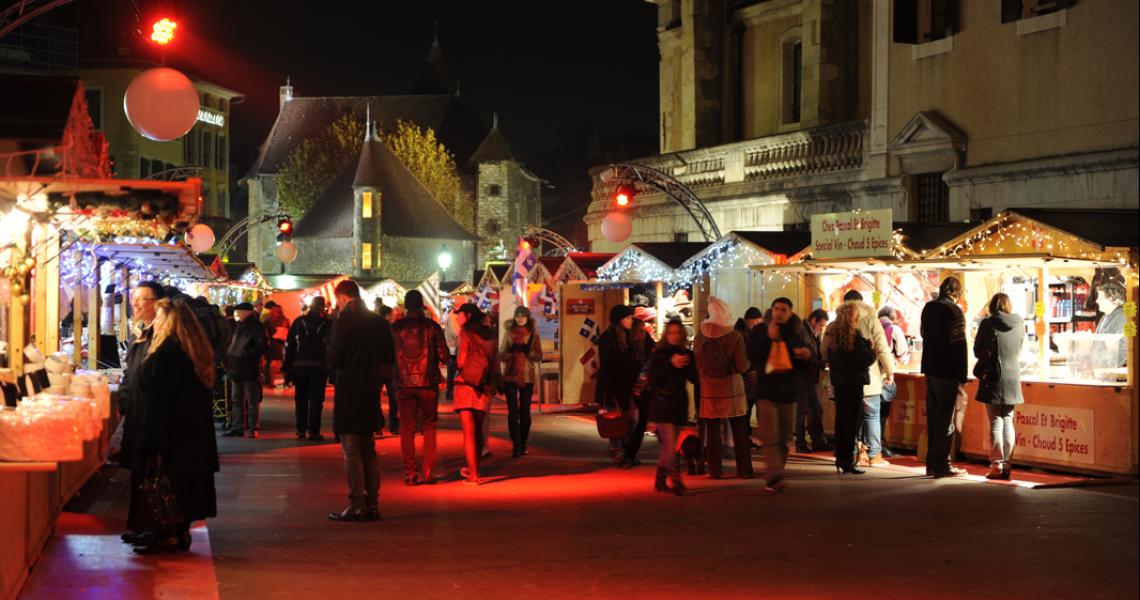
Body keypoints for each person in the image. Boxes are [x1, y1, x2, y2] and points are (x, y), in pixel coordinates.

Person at [133, 298, 220, 554]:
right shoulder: (192, 349)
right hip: (191, 435)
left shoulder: (167, 354)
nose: (155, 323)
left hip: (171, 435)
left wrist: (152, 438)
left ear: (170, 322)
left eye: (159, 318)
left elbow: (160, 401)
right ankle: (178, 532)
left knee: (167, 485)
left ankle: (167, 534)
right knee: (183, 487)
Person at [327, 279, 393, 521]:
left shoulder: (344, 322)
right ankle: (373, 502)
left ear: (342, 298)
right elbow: (388, 355)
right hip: (370, 389)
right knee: (369, 449)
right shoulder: (378, 323)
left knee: (352, 450)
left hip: (349, 390)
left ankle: (356, 503)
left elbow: (335, 359)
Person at [747, 298, 812, 491]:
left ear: (789, 313)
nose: (779, 312)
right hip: (766, 392)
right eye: (776, 308)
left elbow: (804, 363)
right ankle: (773, 476)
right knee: (771, 436)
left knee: (784, 437)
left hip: (789, 393)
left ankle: (777, 473)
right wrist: (769, 337)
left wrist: (805, 355)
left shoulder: (796, 333)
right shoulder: (760, 330)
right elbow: (753, 356)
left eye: (783, 309)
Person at [119, 281, 166, 545]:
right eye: (133, 298)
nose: (135, 303)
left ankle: (152, 526)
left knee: (151, 476)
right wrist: (125, 401)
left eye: (141, 299)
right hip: (138, 417)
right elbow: (130, 374)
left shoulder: (162, 339)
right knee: (139, 475)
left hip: (150, 421)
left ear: (157, 304)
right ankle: (138, 525)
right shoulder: (141, 336)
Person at [392, 290, 449, 485]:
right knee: (429, 425)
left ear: (406, 306)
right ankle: (428, 468)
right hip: (428, 383)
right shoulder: (432, 327)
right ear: (422, 305)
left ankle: (410, 471)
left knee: (407, 429)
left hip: (403, 384)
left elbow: (388, 355)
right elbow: (444, 355)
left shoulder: (396, 328)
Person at [693, 296, 752, 479]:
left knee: (712, 432)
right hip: (732, 389)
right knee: (739, 430)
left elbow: (697, 364)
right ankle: (744, 470)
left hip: (709, 390)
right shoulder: (734, 336)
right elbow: (742, 365)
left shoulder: (700, 336)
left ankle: (714, 470)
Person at [921, 277, 969, 478]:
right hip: (947, 371)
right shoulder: (955, 311)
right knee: (945, 419)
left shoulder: (928, 307)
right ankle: (943, 464)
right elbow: (959, 345)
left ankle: (931, 463)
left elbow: (922, 333)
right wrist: (962, 373)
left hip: (930, 369)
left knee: (933, 418)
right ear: (957, 293)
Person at [822, 303, 878, 475]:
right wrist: (871, 348)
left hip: (839, 383)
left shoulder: (832, 336)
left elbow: (826, 356)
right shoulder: (855, 336)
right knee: (852, 423)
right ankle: (847, 460)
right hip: (854, 383)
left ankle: (840, 457)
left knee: (841, 421)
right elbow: (865, 359)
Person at [840, 291, 894, 468]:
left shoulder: (836, 323)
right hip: (868, 377)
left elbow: (825, 350)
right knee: (871, 415)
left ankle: (851, 454)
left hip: (844, 378)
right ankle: (874, 455)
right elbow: (882, 347)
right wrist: (890, 371)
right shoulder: (871, 319)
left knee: (849, 416)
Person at [973, 293, 1024, 480]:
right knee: (1008, 419)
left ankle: (996, 465)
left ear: (992, 306)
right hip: (1013, 375)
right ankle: (1007, 463)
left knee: (996, 421)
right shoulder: (1019, 323)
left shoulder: (987, 324)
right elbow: (1019, 348)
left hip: (994, 376)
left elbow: (978, 351)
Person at [645, 320, 698, 495]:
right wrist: (670, 364)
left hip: (679, 404)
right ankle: (676, 480)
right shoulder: (659, 354)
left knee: (670, 445)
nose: (675, 336)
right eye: (671, 332)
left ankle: (660, 479)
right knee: (669, 444)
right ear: (666, 335)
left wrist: (688, 364)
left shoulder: (686, 353)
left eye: (678, 333)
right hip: (662, 403)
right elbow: (653, 377)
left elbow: (694, 378)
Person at [596, 304, 651, 467]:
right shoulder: (608, 337)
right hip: (615, 386)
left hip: (630, 385)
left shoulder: (630, 335)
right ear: (619, 320)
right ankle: (619, 451)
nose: (630, 320)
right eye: (627, 318)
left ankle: (626, 451)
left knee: (632, 418)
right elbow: (606, 365)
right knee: (617, 419)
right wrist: (607, 388)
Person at [453, 303, 501, 485]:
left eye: (459, 314)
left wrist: (459, 364)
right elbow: (494, 363)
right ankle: (475, 470)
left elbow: (462, 361)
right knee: (479, 431)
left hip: (466, 384)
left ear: (468, 315)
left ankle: (473, 474)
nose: (457, 318)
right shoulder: (489, 335)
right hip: (485, 386)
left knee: (468, 431)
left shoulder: (465, 334)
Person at [283, 296, 332, 441]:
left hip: (299, 365)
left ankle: (300, 429)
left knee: (301, 398)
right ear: (322, 308)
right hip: (319, 366)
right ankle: (314, 431)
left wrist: (287, 367)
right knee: (316, 400)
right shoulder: (327, 324)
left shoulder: (298, 322)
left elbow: (289, 345)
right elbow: (331, 345)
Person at [500, 305, 543, 457]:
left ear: (528, 318)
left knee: (525, 413)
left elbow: (539, 355)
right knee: (513, 413)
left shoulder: (533, 334)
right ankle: (516, 445)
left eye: (523, 316)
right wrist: (510, 351)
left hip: (527, 376)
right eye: (518, 316)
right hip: (510, 375)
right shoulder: (509, 333)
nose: (520, 318)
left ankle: (523, 442)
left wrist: (528, 351)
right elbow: (501, 355)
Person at [223, 303, 268, 438]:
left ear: (246, 312)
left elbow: (262, 347)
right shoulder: (241, 326)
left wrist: (245, 354)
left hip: (247, 367)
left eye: (238, 312)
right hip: (237, 367)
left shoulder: (255, 327)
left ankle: (251, 427)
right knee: (237, 399)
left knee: (250, 400)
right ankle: (239, 427)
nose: (236, 314)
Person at [875, 306, 910, 458]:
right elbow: (903, 355)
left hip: (867, 375)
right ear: (893, 317)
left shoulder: (871, 325)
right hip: (884, 375)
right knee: (882, 413)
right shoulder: (894, 329)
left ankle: (866, 446)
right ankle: (880, 446)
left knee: (868, 413)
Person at [795, 309, 831, 453]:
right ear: (813, 320)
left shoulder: (810, 333)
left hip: (808, 378)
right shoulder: (803, 333)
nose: (821, 329)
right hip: (802, 378)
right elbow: (804, 359)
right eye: (821, 325)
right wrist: (822, 363)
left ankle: (817, 441)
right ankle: (801, 442)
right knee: (802, 412)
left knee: (815, 410)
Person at [377, 304, 399, 436]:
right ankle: (394, 426)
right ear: (387, 315)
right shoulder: (392, 329)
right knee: (393, 399)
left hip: (377, 366)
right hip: (390, 367)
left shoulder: (373, 329)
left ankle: (378, 425)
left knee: (375, 398)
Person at [261, 301, 290, 388]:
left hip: (276, 343)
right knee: (279, 363)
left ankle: (273, 381)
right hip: (277, 343)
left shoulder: (270, 320)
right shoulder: (283, 320)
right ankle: (283, 381)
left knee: (273, 363)